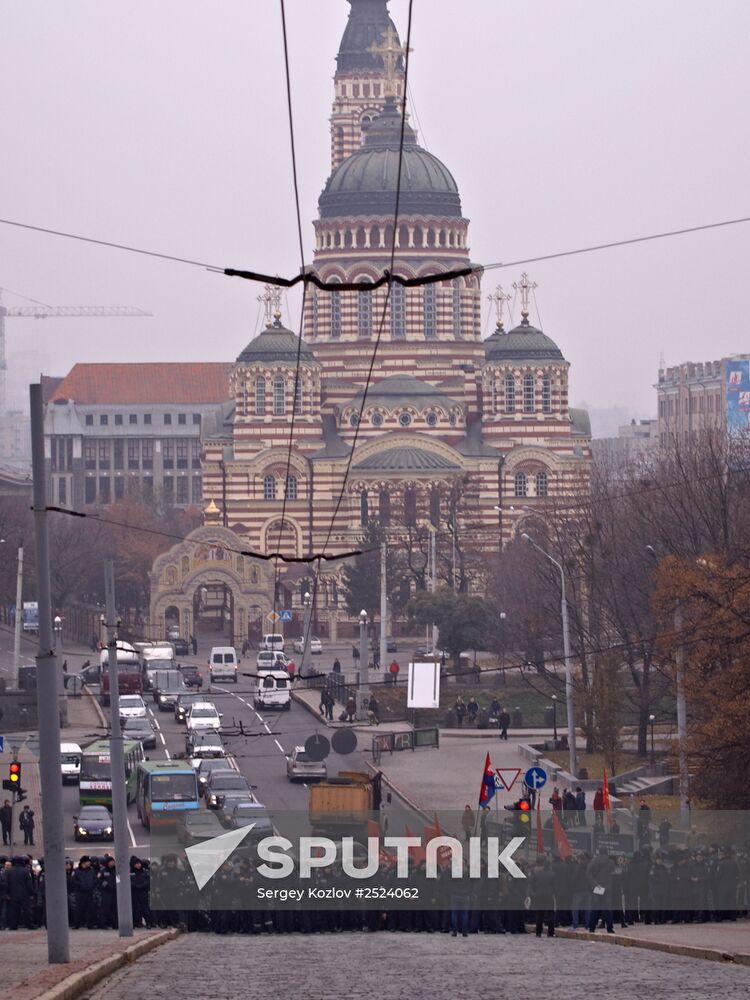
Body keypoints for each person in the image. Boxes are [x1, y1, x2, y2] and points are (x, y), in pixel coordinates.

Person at [587, 846, 615, 933]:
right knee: (607, 908)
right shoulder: (611, 862)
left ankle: (592, 927)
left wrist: (595, 884)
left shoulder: (593, 862)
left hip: (597, 887)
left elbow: (588, 874)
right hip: (607, 887)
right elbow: (613, 873)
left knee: (595, 908)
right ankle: (609, 928)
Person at [531, 857, 556, 937]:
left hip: (539, 895)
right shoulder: (552, 874)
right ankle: (550, 932)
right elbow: (555, 886)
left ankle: (538, 932)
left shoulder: (537, 874)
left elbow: (531, 884)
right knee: (550, 914)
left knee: (539, 914)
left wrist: (535, 892)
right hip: (549, 895)